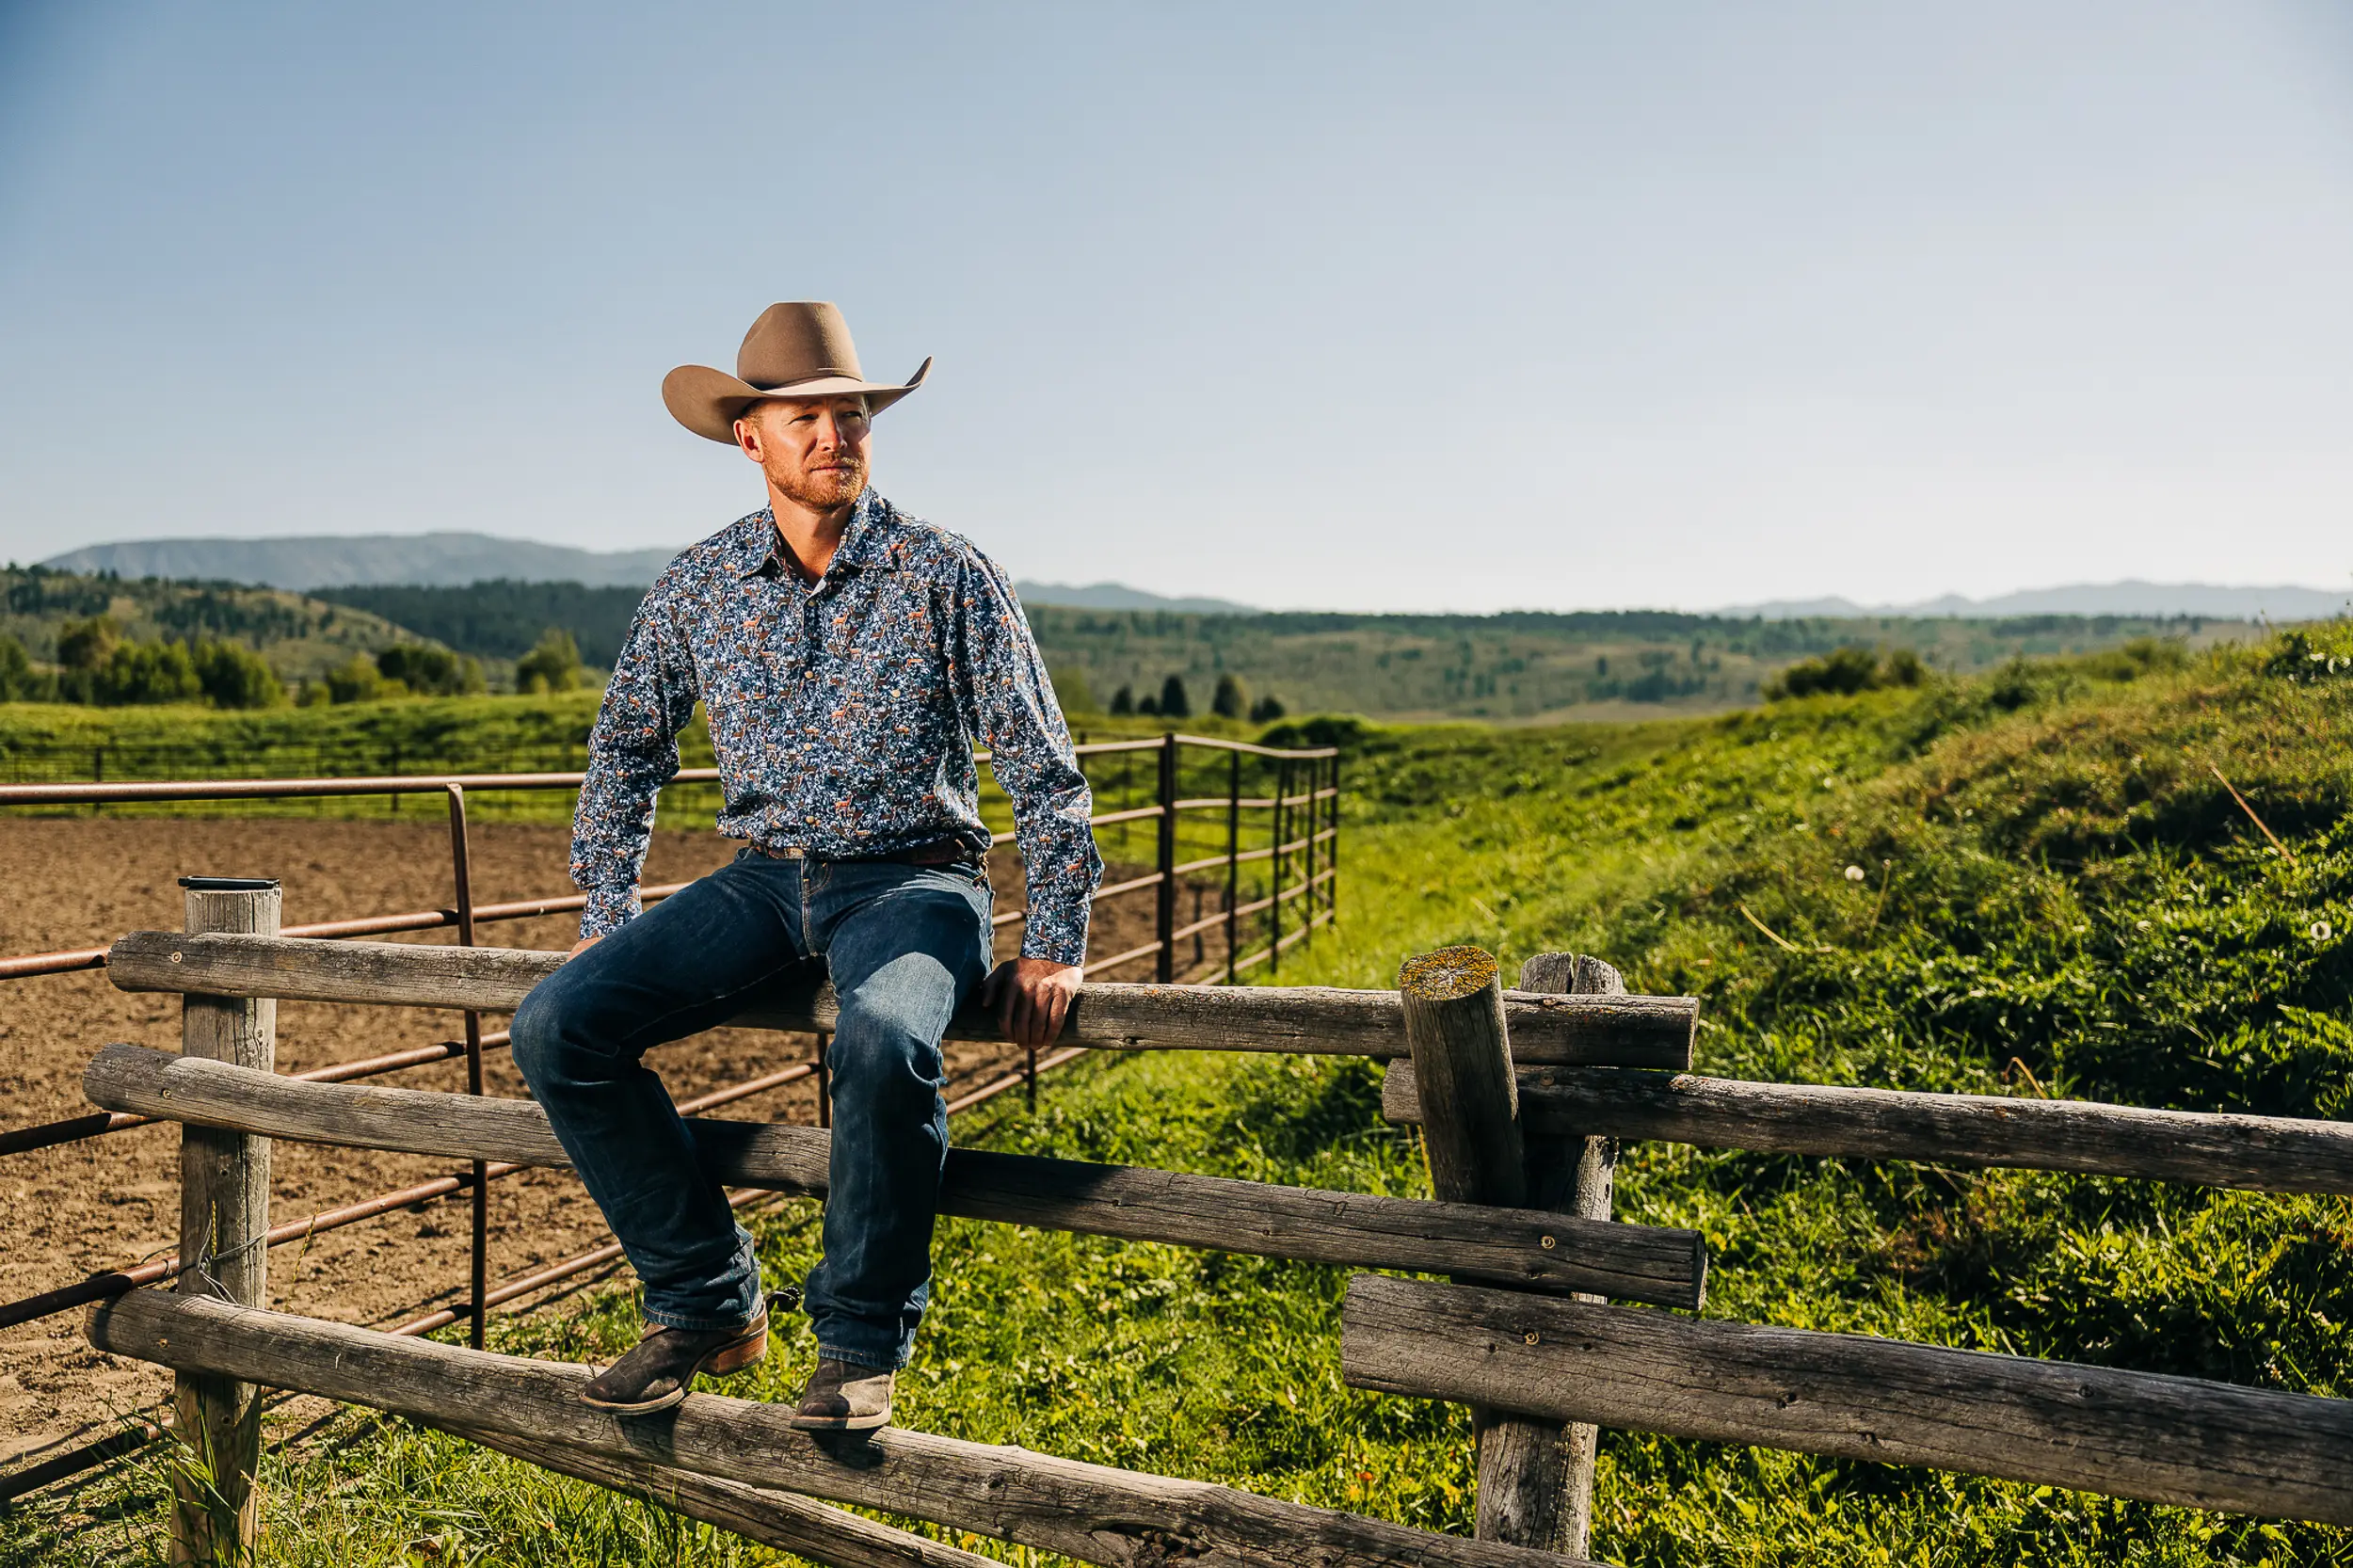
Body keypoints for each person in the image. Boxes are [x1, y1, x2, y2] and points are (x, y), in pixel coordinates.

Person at [510, 301, 1100, 1432]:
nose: (837, 433)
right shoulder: (699, 585)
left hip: (916, 880)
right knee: (556, 1028)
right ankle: (706, 1299)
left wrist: (1057, 941)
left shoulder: (944, 571)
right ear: (753, 439)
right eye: (809, 416)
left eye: (854, 414)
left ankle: (858, 1343)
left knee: (884, 1037)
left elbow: (1041, 760)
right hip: (762, 876)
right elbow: (628, 742)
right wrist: (604, 903)